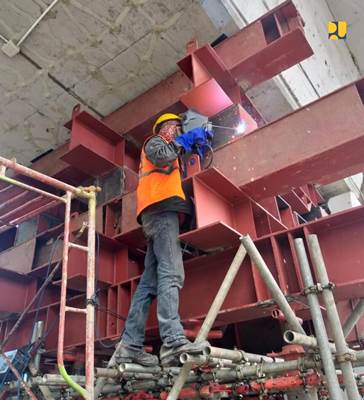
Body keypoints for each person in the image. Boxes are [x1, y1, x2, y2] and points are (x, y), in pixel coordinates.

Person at [115, 113, 209, 367]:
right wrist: (186, 140)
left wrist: (193, 145)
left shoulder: (170, 150)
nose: (178, 131)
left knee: (149, 283)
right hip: (160, 213)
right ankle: (173, 341)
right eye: (176, 127)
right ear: (165, 128)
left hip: (157, 216)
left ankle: (130, 346)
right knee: (172, 273)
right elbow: (163, 155)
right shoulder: (154, 142)